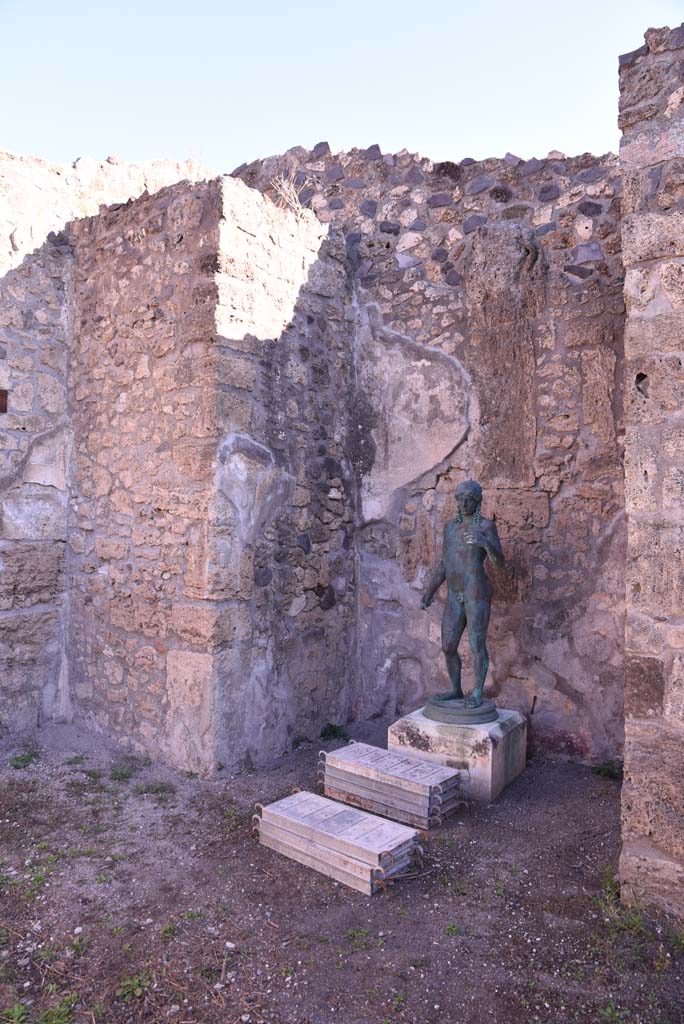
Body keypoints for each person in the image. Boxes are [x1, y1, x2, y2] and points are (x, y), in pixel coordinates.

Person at [420, 479, 504, 709]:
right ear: (456, 501)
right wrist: (429, 592)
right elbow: (445, 563)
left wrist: (485, 543)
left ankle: (476, 692)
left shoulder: (486, 526)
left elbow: (500, 563)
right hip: (454, 593)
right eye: (461, 499)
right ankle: (456, 690)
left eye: (470, 499)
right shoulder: (450, 528)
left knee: (477, 644)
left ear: (477, 501)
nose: (465, 503)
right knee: (448, 645)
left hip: (476, 591)